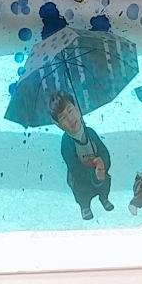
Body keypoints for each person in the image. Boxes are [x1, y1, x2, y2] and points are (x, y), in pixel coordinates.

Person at [48, 90, 114, 220]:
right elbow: (74, 167)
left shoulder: (90, 133)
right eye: (63, 118)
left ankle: (104, 198)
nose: (70, 119)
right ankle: (85, 206)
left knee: (106, 180)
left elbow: (103, 151)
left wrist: (103, 165)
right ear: (60, 126)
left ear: (77, 110)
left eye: (70, 111)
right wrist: (92, 175)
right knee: (81, 191)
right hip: (80, 177)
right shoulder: (67, 142)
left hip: (97, 170)